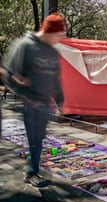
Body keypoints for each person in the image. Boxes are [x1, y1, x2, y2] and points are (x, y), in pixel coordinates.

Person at [0, 13, 65, 187]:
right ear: (49, 31)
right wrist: (24, 95)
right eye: (58, 35)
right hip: (30, 103)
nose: (59, 39)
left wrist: (59, 101)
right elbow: (8, 73)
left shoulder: (52, 52)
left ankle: (33, 168)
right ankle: (31, 173)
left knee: (40, 138)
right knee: (34, 139)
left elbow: (55, 78)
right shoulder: (25, 46)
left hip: (46, 103)